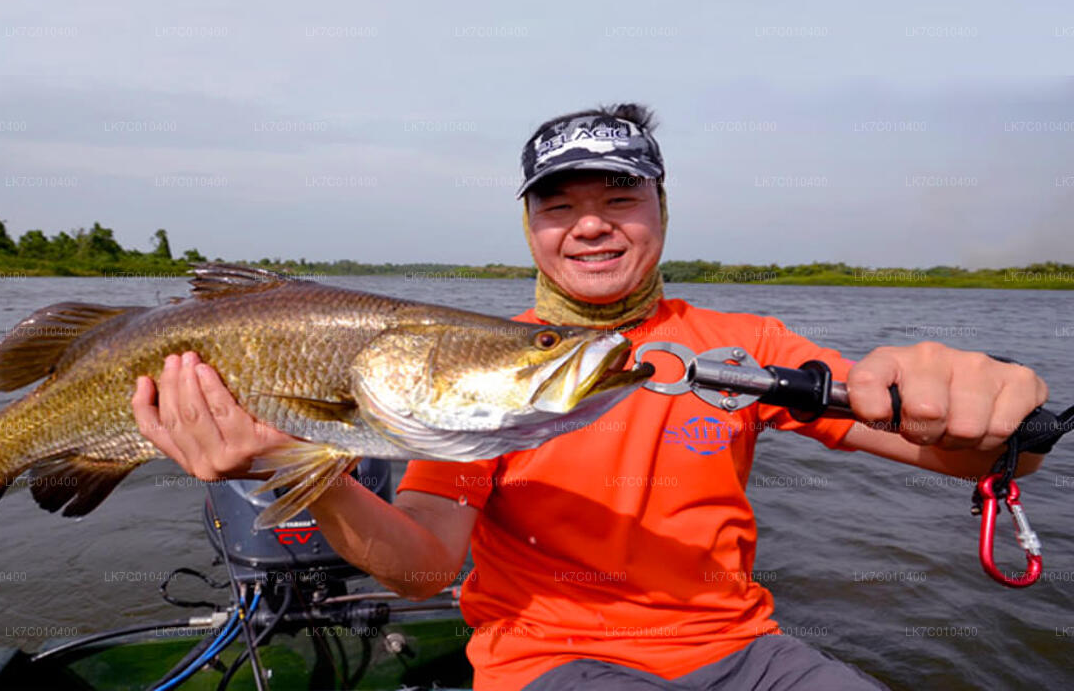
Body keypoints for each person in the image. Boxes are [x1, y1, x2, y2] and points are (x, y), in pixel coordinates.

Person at [129, 104, 1048, 691]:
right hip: (552, 663)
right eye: (557, 204)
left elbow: (969, 452)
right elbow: (419, 574)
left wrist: (994, 408)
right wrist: (304, 471)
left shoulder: (752, 345)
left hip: (747, 652)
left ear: (661, 207)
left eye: (620, 195)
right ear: (530, 227)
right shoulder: (467, 367)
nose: (592, 223)